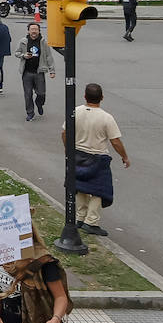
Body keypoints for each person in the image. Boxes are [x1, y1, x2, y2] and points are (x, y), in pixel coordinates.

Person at [61, 83, 130, 238]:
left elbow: (64, 133)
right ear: (102, 98)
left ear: (85, 96)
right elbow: (115, 141)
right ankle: (91, 221)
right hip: (98, 157)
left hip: (77, 155)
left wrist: (68, 149)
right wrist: (124, 157)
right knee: (100, 190)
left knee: (79, 186)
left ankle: (79, 217)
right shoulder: (106, 118)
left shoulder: (75, 112)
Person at [14, 21, 54, 121]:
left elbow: (49, 56)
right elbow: (17, 53)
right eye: (32, 29)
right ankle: (30, 113)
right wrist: (24, 56)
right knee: (28, 95)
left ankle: (39, 104)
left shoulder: (43, 42)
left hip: (39, 72)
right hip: (27, 72)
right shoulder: (23, 41)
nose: (34, 31)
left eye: (36, 29)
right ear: (28, 31)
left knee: (41, 93)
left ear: (39, 31)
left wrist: (52, 70)